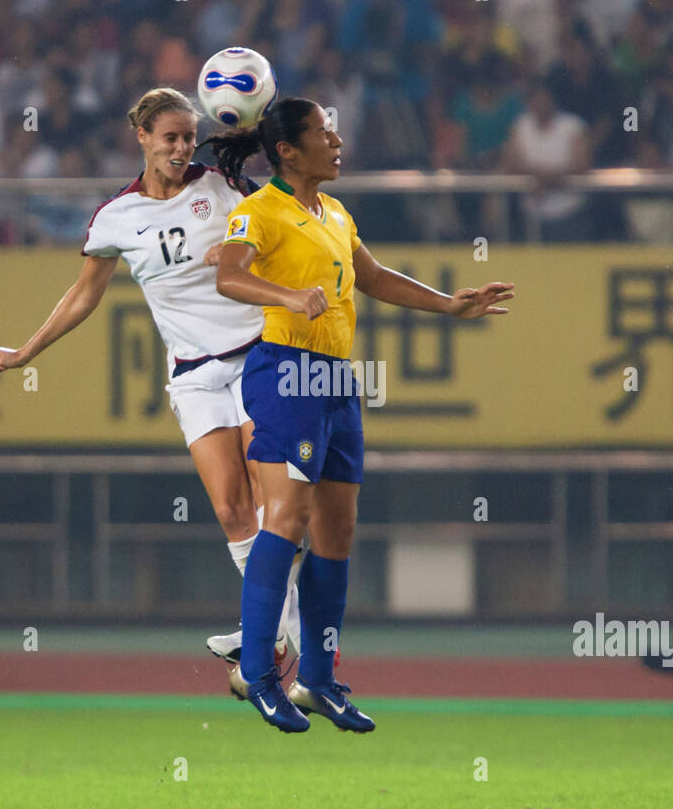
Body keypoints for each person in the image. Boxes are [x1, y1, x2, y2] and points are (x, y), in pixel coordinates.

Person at [207, 98, 513, 733]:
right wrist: (289, 295)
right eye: (323, 131)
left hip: (335, 380)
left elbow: (372, 277)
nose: (337, 139)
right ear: (288, 149)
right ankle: (262, 675)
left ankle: (317, 680)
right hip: (286, 371)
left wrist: (449, 306)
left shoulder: (335, 212)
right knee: (285, 519)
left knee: (337, 533)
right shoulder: (258, 211)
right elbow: (229, 278)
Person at [0, 87, 303, 664]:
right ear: (143, 138)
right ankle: (277, 632)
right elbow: (85, 294)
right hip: (192, 373)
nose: (182, 148)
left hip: (260, 356)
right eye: (170, 138)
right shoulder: (116, 217)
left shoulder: (224, 186)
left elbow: (284, 235)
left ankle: (280, 634)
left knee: (268, 500)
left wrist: (240, 255)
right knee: (232, 508)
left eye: (188, 138)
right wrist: (27, 351)